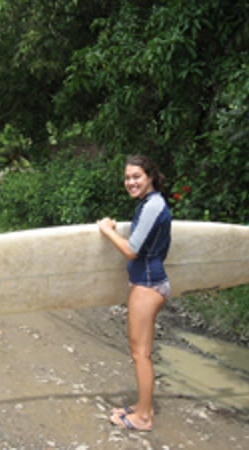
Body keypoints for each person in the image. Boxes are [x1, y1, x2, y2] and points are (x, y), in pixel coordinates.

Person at [98, 155, 171, 432]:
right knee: (142, 351)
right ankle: (144, 406)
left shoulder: (153, 205)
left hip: (149, 285)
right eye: (127, 177)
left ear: (150, 176)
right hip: (149, 282)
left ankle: (143, 418)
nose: (131, 182)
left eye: (137, 176)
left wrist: (106, 230)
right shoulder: (150, 204)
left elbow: (132, 249)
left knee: (140, 353)